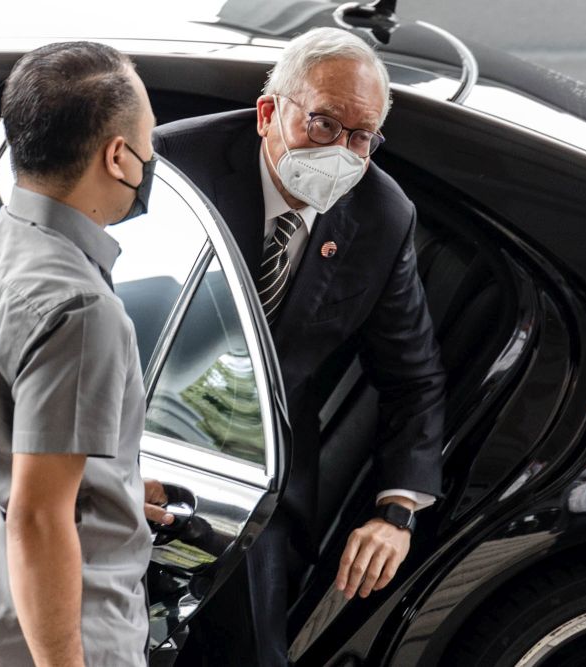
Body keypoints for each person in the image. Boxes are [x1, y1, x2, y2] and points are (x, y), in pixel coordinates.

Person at [153, 27, 446, 666]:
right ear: (268, 114)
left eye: (362, 136)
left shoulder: (381, 215)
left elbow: (413, 376)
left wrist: (396, 513)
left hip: (257, 475)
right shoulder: (172, 168)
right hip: (136, 450)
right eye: (323, 125)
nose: (342, 151)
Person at [0, 41, 171, 667]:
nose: (151, 155)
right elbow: (37, 518)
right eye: (148, 140)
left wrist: (101, 481)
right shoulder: (83, 310)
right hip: (50, 640)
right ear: (118, 156)